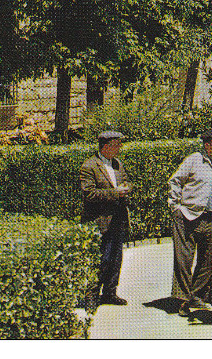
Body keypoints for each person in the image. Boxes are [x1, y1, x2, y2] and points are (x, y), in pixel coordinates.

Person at [168, 129, 212, 317]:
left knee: (210, 260)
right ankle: (182, 300)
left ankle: (196, 295)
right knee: (183, 261)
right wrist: (175, 206)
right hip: (188, 216)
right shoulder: (194, 159)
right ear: (208, 145)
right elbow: (175, 181)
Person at [80, 130, 132, 309]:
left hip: (118, 219)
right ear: (106, 146)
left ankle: (110, 292)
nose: (119, 148)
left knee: (116, 258)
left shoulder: (117, 164)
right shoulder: (89, 166)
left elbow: (126, 181)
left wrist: (126, 188)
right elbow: (89, 194)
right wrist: (115, 193)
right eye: (117, 145)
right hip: (100, 220)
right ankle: (92, 296)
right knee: (101, 259)